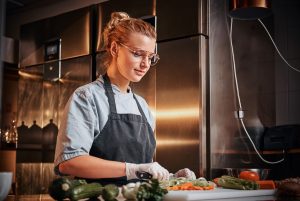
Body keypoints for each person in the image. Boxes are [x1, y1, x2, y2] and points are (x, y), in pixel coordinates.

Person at [54, 11, 195, 186]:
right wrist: (132, 169)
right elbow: (69, 163)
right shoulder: (87, 97)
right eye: (137, 54)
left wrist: (172, 178)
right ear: (114, 49)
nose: (145, 64)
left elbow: (143, 169)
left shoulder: (142, 106)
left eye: (150, 57)